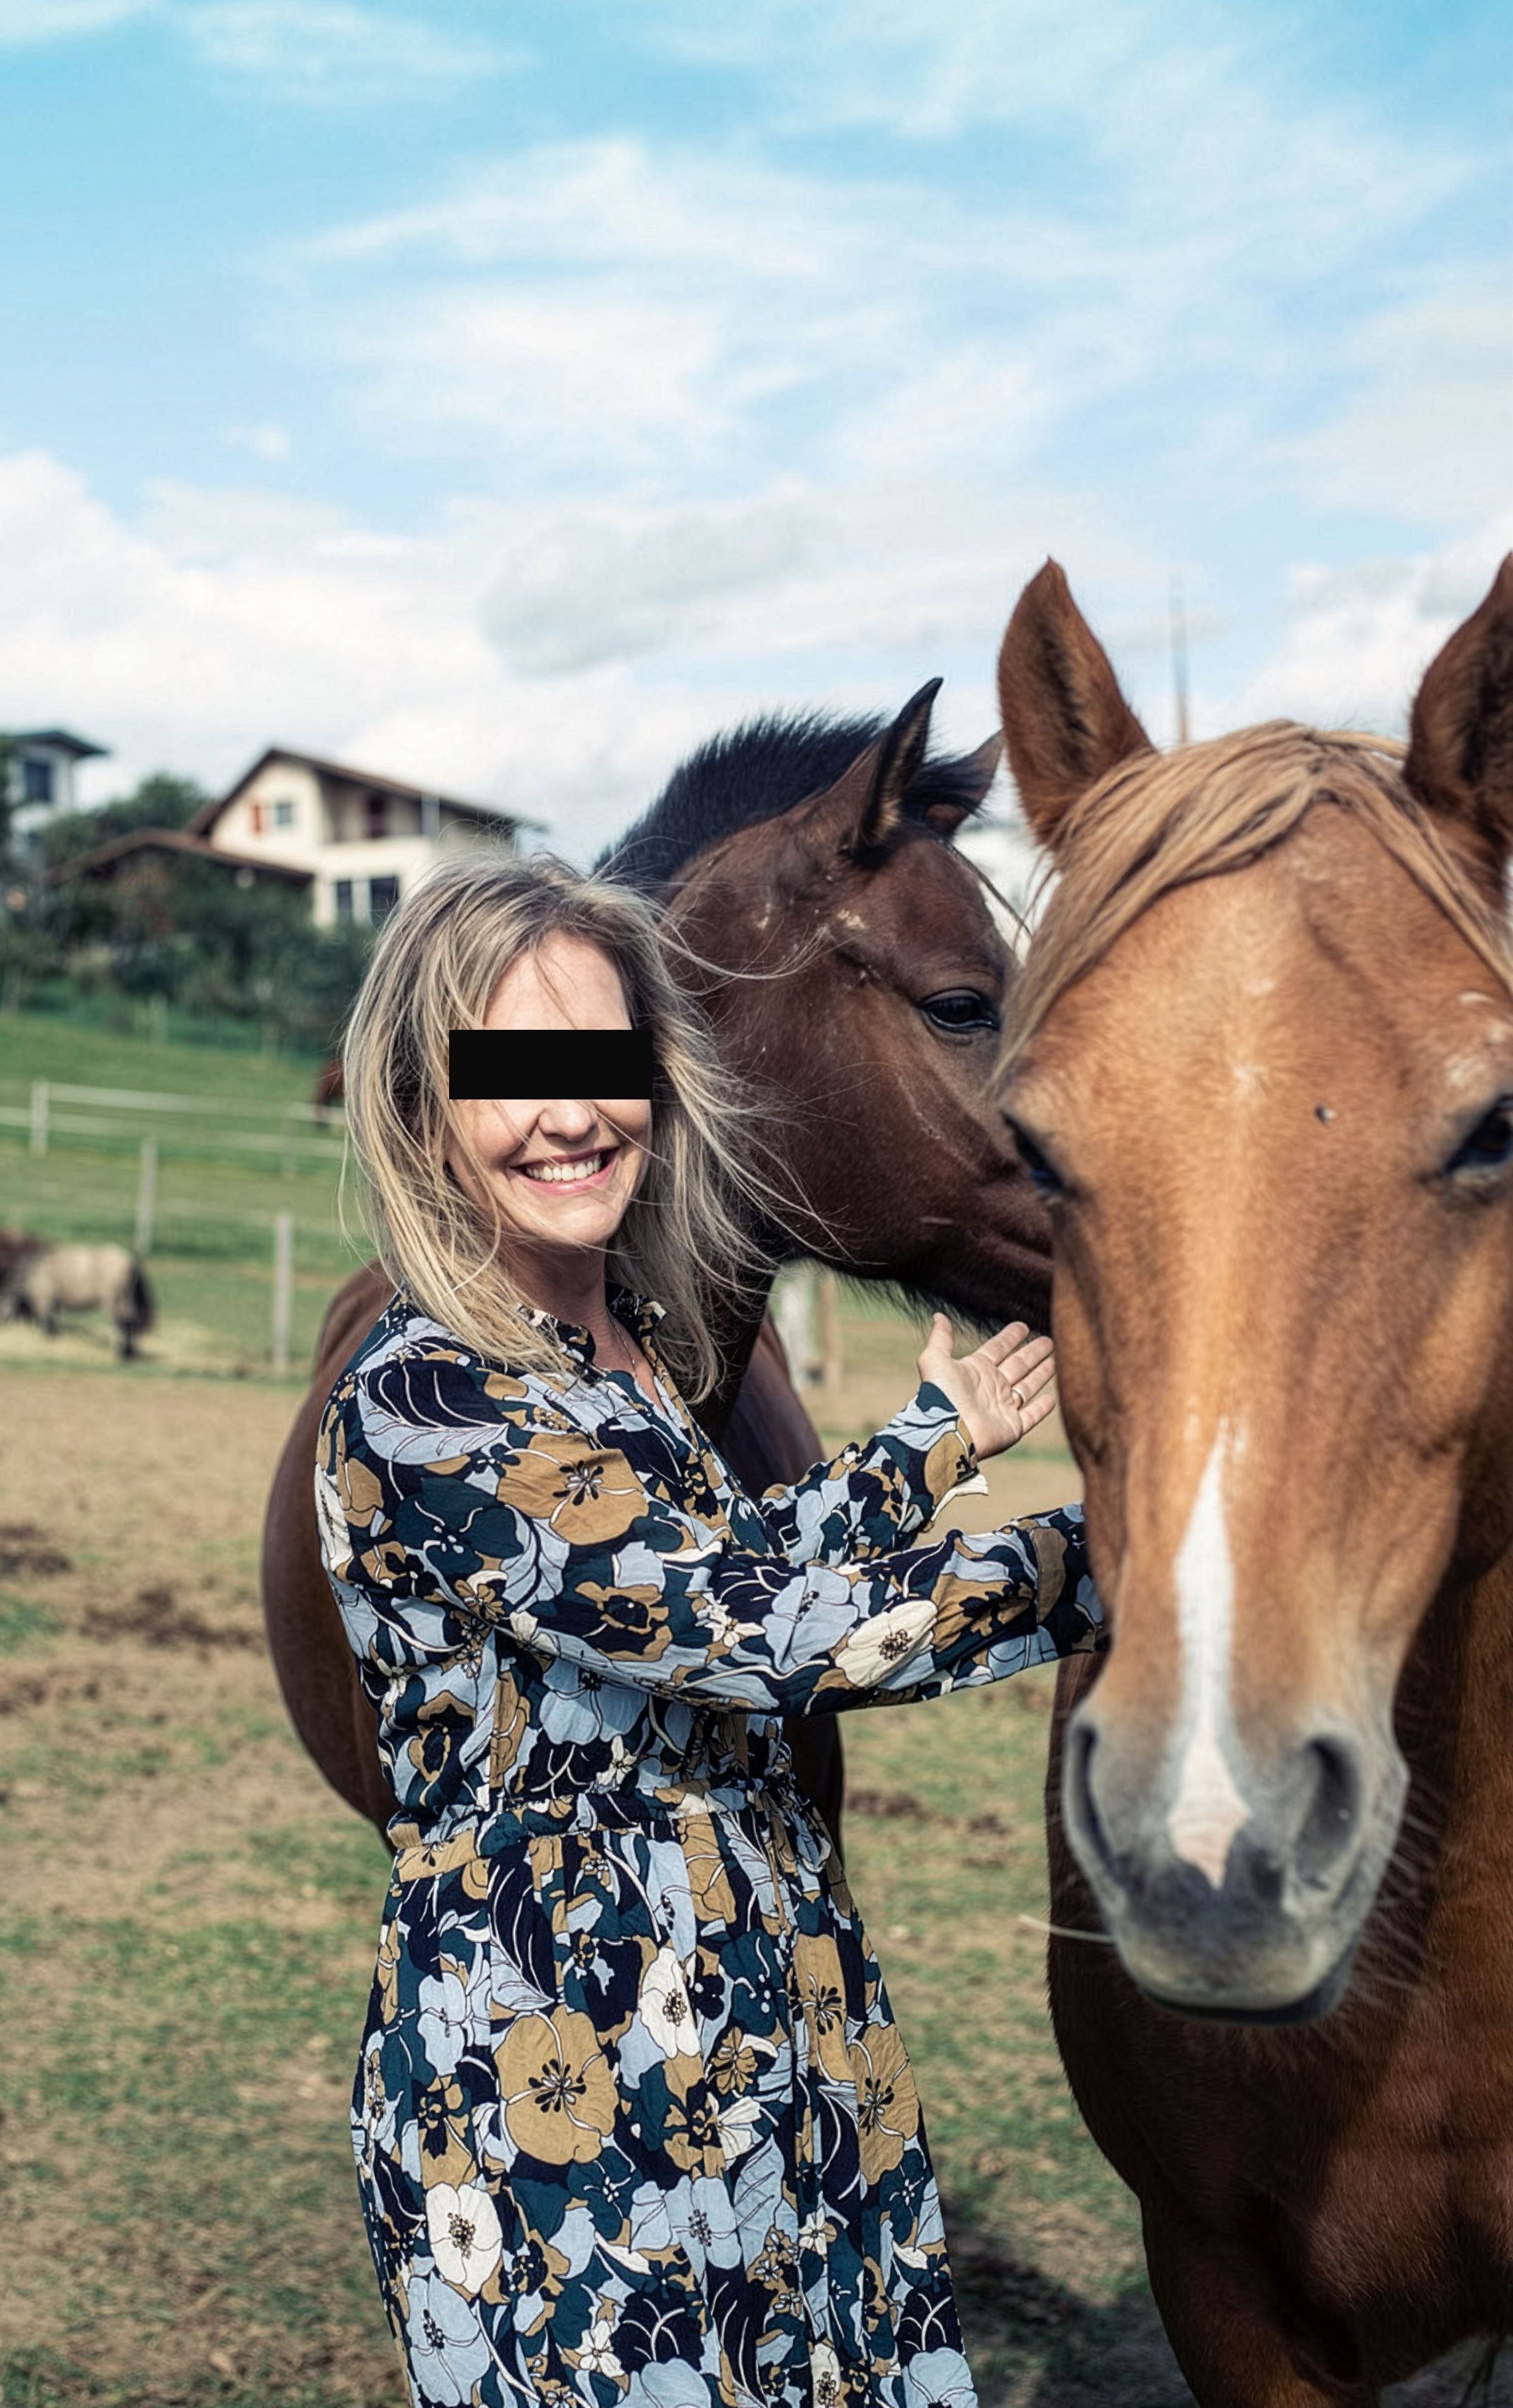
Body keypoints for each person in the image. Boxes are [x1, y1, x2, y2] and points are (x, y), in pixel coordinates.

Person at [316, 855, 1102, 2408]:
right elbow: (755, 1636)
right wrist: (1113, 1552)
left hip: (759, 1999)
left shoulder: (621, 1349)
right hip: (574, 2057)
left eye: (601, 1066)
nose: (571, 1114)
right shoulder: (431, 1395)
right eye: (511, 1073)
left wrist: (930, 1446)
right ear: (421, 1107)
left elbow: (706, 1566)